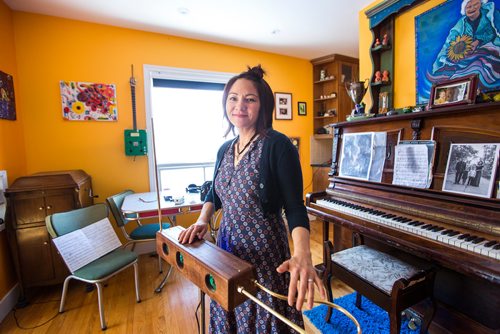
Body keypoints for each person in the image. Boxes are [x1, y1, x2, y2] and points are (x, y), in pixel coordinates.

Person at [178, 65, 324, 333]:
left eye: (250, 99)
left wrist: (302, 253)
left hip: (266, 259)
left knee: (265, 321)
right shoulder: (224, 149)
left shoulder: (277, 146)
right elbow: (215, 193)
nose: (239, 105)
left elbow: (294, 207)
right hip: (227, 254)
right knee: (230, 315)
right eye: (233, 98)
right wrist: (202, 220)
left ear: (263, 105)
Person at [431, 0, 500, 91]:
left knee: (480, 64)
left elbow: (493, 32)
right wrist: (448, 55)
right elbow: (451, 41)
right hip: (465, 52)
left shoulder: (490, 15)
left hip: (488, 47)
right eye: (468, 7)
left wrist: (479, 41)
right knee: (446, 70)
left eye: (475, 4)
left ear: (481, 5)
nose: (472, 8)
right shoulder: (461, 24)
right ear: (464, 10)